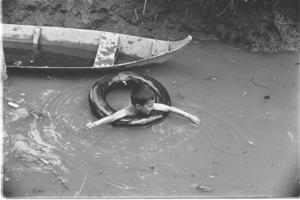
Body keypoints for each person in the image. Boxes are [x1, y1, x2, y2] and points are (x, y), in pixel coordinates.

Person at [86, 84, 200, 129]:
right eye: (150, 106)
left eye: (152, 104)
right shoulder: (127, 112)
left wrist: (189, 116)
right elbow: (111, 118)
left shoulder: (152, 105)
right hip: (128, 106)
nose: (153, 107)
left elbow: (169, 108)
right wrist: (94, 124)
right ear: (139, 107)